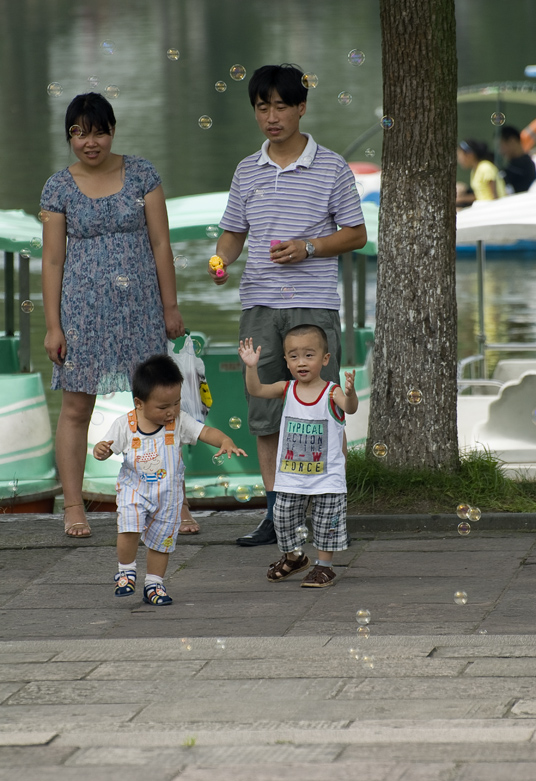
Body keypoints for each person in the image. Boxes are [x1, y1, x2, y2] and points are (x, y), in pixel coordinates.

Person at [209, 63, 367, 547]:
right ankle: (278, 514)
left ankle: (327, 509)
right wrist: (220, 259)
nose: (272, 116)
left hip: (313, 306)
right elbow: (233, 234)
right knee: (265, 411)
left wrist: (309, 247)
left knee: (321, 409)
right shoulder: (246, 169)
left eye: (281, 106)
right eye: (262, 107)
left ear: (301, 107)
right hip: (258, 304)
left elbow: (357, 234)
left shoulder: (332, 166)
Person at [40, 92, 185, 540]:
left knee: (160, 406)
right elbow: (52, 261)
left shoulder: (142, 173)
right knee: (76, 407)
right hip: (82, 311)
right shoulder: (58, 187)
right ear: (70, 137)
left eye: (99, 131)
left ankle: (174, 503)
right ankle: (73, 506)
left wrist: (170, 306)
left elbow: (161, 243)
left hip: (140, 306)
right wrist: (53, 325)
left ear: (112, 130)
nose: (90, 142)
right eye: (79, 133)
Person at [93, 354, 247, 604]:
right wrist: (101, 450)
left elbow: (205, 431)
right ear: (139, 403)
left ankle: (154, 584)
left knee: (161, 543)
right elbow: (106, 448)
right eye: (163, 407)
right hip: (135, 491)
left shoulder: (179, 422)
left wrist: (225, 440)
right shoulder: (125, 425)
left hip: (168, 497)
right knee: (129, 527)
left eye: (175, 403)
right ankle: (126, 571)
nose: (171, 412)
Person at [238, 325, 358, 587]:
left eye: (309, 355)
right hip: (292, 475)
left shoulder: (332, 391)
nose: (301, 362)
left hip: (327, 476)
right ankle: (294, 558)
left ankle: (324, 567)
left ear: (325, 359)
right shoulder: (287, 388)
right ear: (286, 361)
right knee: (283, 517)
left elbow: (350, 408)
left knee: (327, 523)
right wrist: (250, 366)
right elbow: (257, 389)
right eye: (293, 356)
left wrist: (350, 393)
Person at [456, 139, 506, 208]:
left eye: (460, 156)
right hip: (482, 207)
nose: (459, 160)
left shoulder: (485, 167)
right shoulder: (475, 171)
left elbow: (494, 196)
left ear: (470, 155)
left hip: (491, 208)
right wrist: (460, 199)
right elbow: (480, 195)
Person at [498, 126, 536, 193]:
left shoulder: (523, 165)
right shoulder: (513, 166)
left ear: (512, 141)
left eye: (501, 145)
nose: (500, 151)